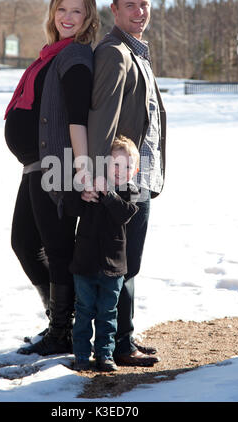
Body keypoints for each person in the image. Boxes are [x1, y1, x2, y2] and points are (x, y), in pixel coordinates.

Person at [4, 0, 99, 356]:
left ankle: (63, 331)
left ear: (88, 16)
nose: (68, 17)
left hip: (56, 166)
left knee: (56, 250)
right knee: (25, 243)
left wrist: (79, 168)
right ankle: (61, 320)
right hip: (37, 164)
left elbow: (78, 118)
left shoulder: (75, 57)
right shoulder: (51, 55)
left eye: (76, 11)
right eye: (62, 9)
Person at [85, 0, 167, 367]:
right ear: (114, 9)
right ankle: (117, 345)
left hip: (141, 175)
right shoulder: (115, 53)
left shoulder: (138, 53)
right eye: (130, 5)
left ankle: (125, 337)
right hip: (121, 180)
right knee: (122, 265)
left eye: (144, 5)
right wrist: (99, 178)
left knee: (129, 264)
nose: (140, 12)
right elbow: (102, 118)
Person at [65, 136, 141, 372]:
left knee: (108, 313)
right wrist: (82, 195)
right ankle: (80, 354)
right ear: (105, 164)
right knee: (85, 310)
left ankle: (105, 354)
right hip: (85, 263)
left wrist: (108, 194)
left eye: (128, 166)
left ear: (135, 170)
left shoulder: (129, 191)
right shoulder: (91, 186)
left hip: (113, 266)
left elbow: (124, 213)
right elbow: (71, 208)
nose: (121, 171)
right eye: (116, 164)